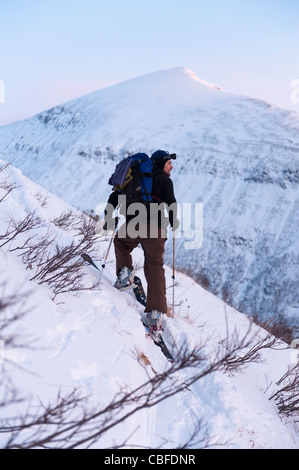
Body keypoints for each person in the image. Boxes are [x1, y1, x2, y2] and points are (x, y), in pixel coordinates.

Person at [103, 150, 178, 338]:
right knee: (154, 266)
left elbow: (114, 196)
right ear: (161, 164)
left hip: (134, 225)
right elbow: (171, 203)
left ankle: (125, 274)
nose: (172, 166)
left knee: (121, 242)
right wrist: (173, 223)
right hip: (156, 229)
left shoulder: (134, 177)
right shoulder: (164, 181)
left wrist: (109, 217)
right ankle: (156, 315)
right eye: (169, 163)